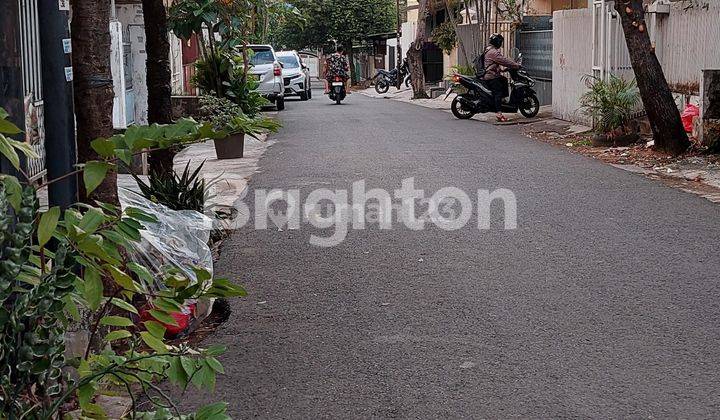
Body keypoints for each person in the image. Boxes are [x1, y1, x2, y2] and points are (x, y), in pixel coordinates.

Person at [482, 33, 521, 122]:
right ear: (497, 42)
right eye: (500, 42)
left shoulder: (488, 49)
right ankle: (499, 113)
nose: (501, 44)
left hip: (490, 74)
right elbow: (504, 60)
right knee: (498, 93)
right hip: (491, 76)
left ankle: (502, 100)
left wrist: (502, 70)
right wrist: (516, 65)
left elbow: (493, 63)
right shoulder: (494, 52)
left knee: (503, 79)